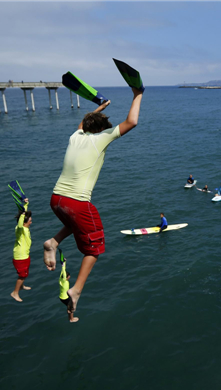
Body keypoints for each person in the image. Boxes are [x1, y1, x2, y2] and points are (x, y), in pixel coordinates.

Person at [43, 86, 143, 314]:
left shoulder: (75, 136)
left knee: (73, 223)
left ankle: (53, 242)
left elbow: (83, 123)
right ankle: (76, 290)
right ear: (98, 130)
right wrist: (138, 93)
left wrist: (101, 108)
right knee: (95, 249)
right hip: (77, 203)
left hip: (56, 199)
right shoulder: (99, 139)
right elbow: (132, 121)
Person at [12, 198, 32, 302]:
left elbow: (23, 217)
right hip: (20, 256)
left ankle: (21, 286)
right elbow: (20, 224)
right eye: (30, 221)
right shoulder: (19, 229)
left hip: (25, 255)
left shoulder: (26, 228)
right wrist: (23, 215)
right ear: (25, 222)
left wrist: (26, 204)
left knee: (25, 273)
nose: (31, 222)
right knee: (22, 275)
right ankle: (15, 293)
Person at [59, 258, 78, 323]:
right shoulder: (64, 281)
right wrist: (64, 262)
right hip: (65, 298)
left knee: (69, 306)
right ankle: (71, 319)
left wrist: (64, 262)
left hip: (61, 297)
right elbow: (64, 272)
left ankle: (69, 314)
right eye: (69, 276)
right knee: (72, 307)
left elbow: (63, 270)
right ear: (67, 277)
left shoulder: (60, 279)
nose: (69, 277)